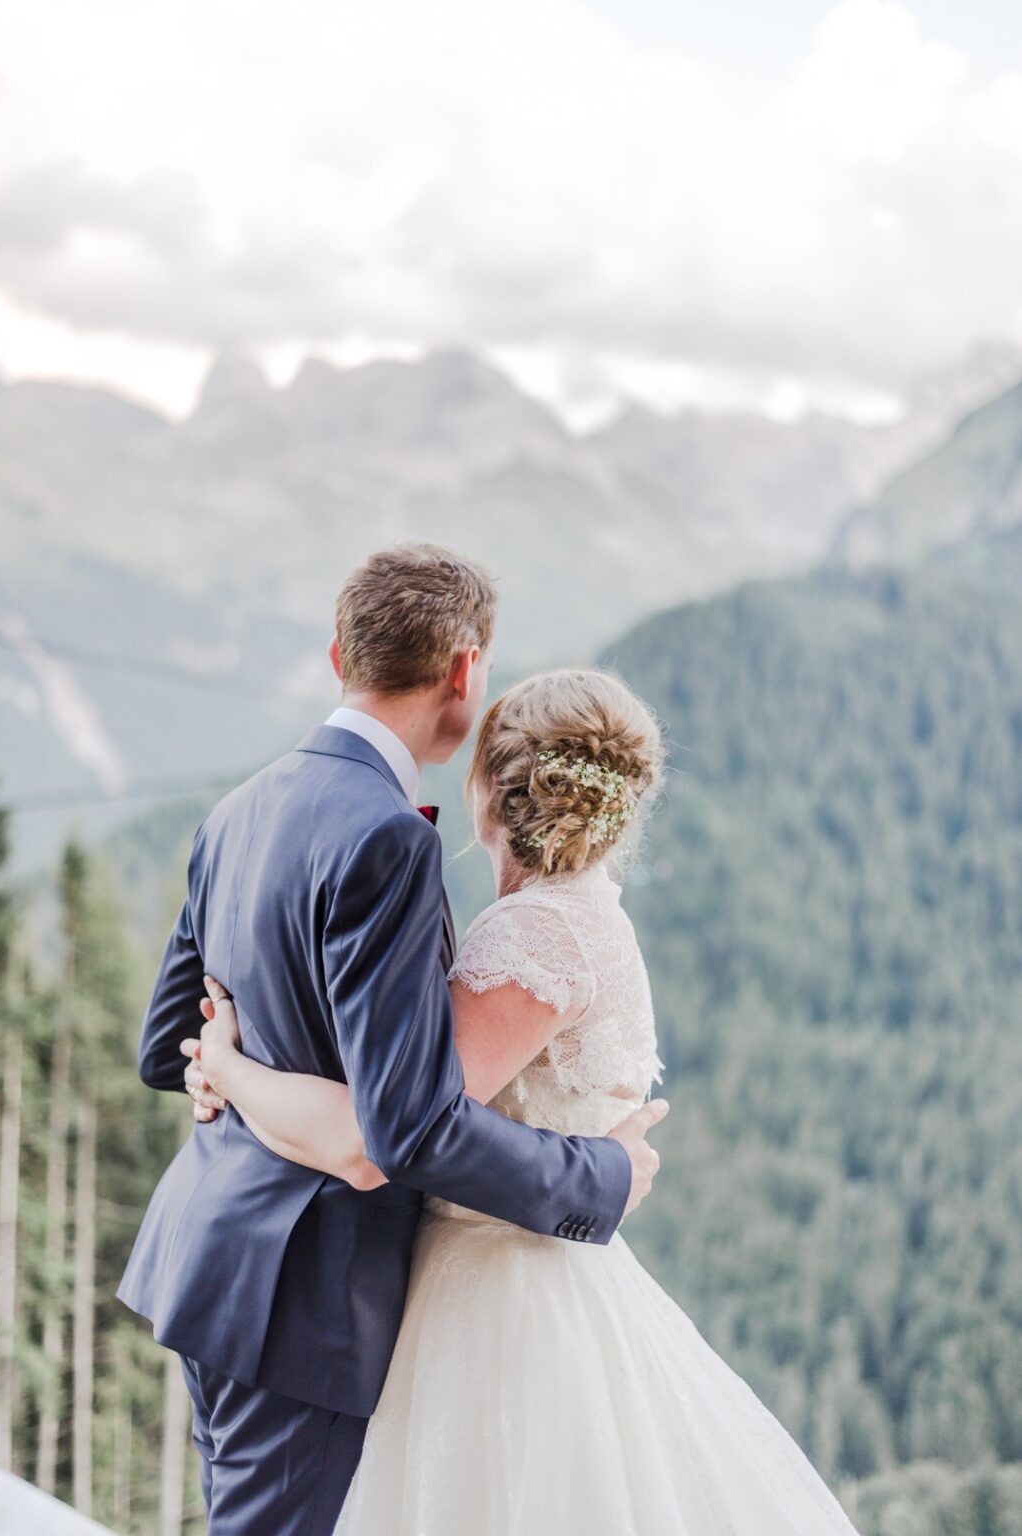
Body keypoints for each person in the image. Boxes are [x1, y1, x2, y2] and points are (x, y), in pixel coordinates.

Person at [184, 665, 864, 1536]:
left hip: (498, 1299)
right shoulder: (587, 915)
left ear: (490, 793)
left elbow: (400, 1129)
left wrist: (233, 1067)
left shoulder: (534, 931)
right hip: (537, 1273)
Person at [117, 544, 666, 1536]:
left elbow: (168, 1046)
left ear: (339, 658)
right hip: (306, 1303)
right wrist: (598, 1179)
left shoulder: (235, 810)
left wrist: (225, 1067)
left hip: (207, 1266)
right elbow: (402, 1131)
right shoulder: (387, 836)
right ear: (463, 674)